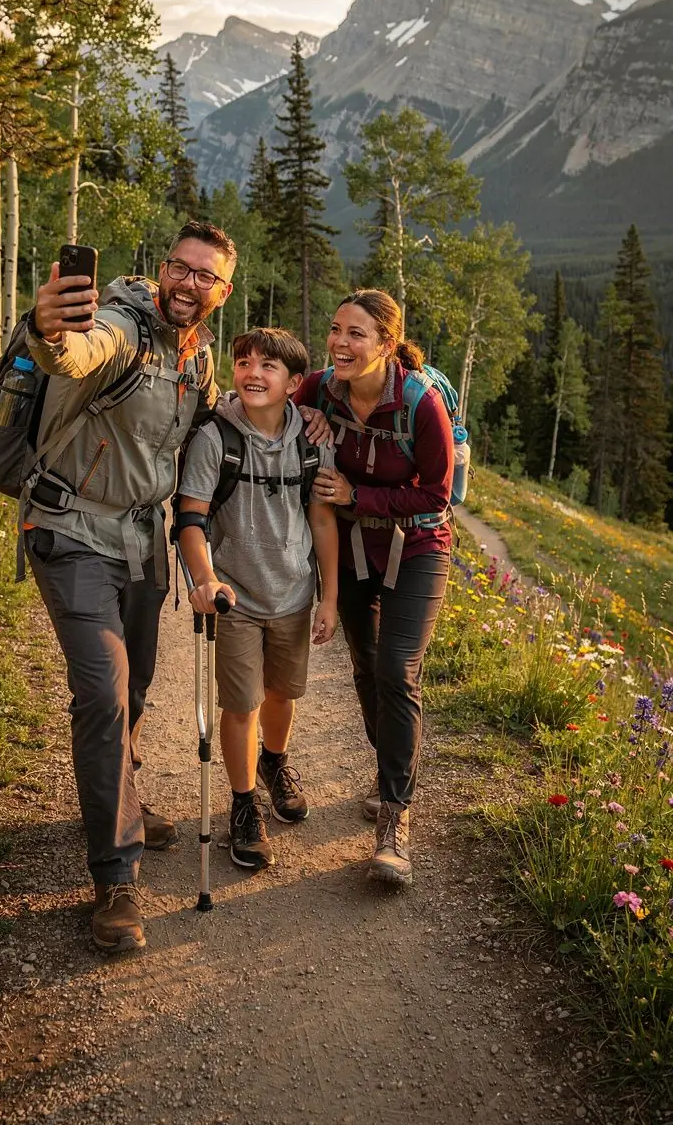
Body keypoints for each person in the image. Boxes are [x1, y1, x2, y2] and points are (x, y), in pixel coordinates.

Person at [24, 225, 330, 953]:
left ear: (223, 293)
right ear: (163, 268)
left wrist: (304, 413)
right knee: (102, 693)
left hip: (139, 544)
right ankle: (116, 878)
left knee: (134, 691)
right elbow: (75, 350)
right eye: (180, 268)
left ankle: (119, 797)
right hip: (70, 534)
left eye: (206, 277)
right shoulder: (122, 326)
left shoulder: (197, 363)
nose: (188, 283)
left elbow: (234, 414)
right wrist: (50, 329)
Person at [294, 290, 453, 888]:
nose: (340, 342)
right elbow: (261, 403)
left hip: (418, 547)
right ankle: (392, 771)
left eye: (356, 334)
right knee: (365, 669)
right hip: (356, 549)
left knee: (397, 668)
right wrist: (296, 415)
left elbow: (436, 495)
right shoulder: (319, 389)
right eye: (335, 330)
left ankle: (394, 818)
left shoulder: (421, 404)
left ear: (386, 343)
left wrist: (359, 498)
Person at [176, 328, 339, 871]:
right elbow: (191, 519)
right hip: (235, 596)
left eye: (269, 366)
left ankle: (274, 761)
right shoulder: (213, 439)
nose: (252, 372)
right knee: (241, 703)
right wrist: (205, 580)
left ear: (294, 383)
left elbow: (320, 517)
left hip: (293, 592)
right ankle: (244, 803)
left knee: (281, 694)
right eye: (243, 362)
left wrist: (329, 596)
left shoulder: (313, 440)